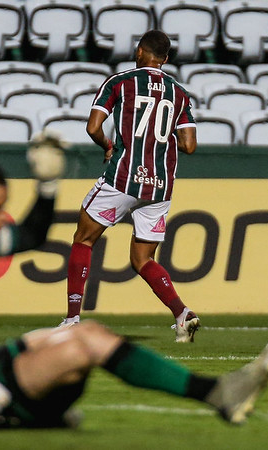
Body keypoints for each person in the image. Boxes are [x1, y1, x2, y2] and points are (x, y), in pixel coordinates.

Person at [0, 138, 268, 429]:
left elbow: (29, 237)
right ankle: (216, 393)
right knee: (84, 347)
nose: (0, 219)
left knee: (86, 333)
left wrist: (47, 185)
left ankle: (40, 414)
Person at [60, 30, 200, 343]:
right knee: (143, 259)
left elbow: (93, 127)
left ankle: (72, 319)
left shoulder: (120, 82)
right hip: (160, 186)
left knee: (83, 239)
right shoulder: (179, 93)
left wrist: (109, 145)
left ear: (139, 52)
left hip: (123, 177)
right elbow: (189, 145)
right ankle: (182, 314)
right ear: (165, 60)